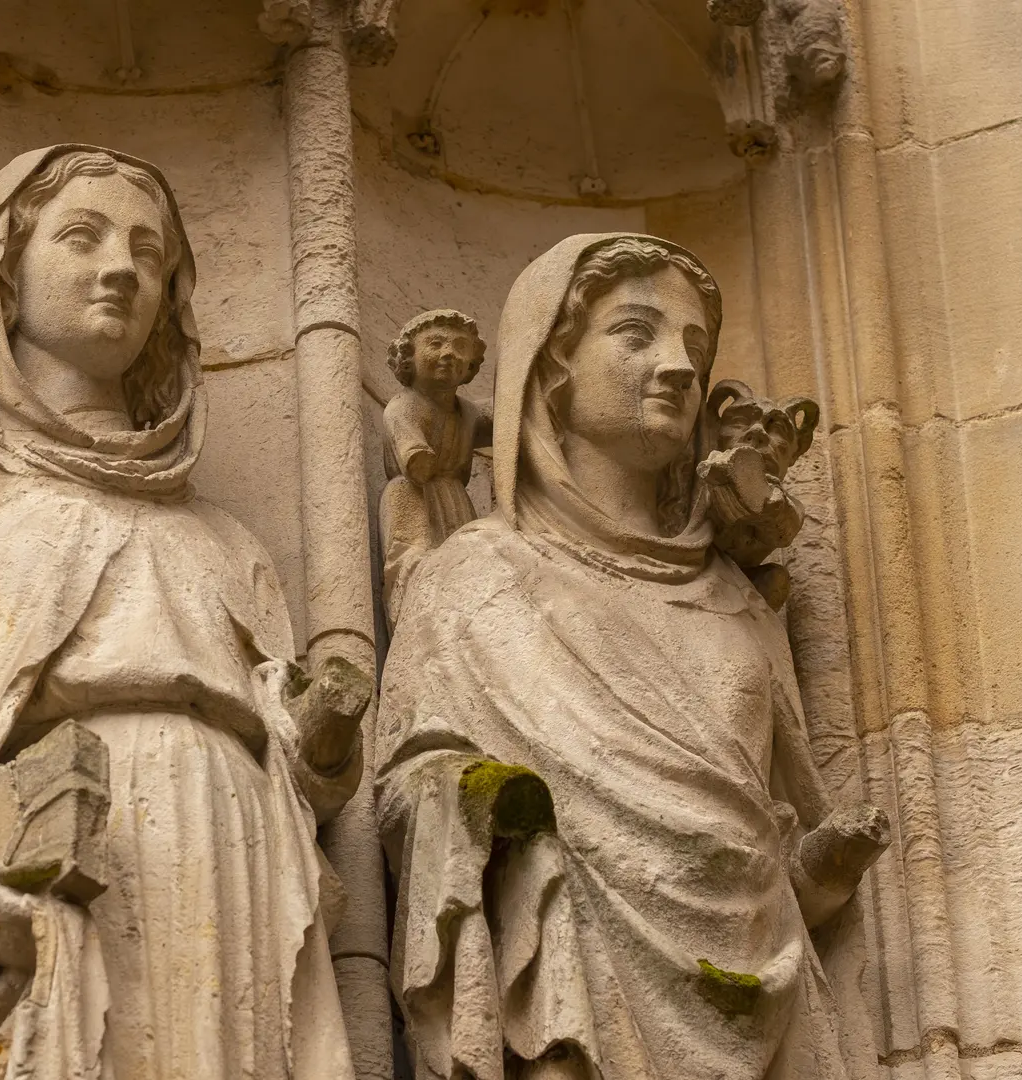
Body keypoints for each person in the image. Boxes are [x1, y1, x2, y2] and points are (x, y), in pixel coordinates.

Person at [0, 145, 361, 1080]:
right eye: (81, 237)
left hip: (241, 845)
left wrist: (323, 739)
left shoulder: (224, 539)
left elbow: (304, 779)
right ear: (5, 281)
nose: (119, 270)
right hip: (80, 833)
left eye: (148, 252)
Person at [375, 233, 886, 1080]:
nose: (679, 368)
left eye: (693, 345)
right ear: (551, 371)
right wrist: (479, 804)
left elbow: (792, 854)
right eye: (635, 333)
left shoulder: (739, 604)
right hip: (575, 994)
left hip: (776, 1006)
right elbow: (400, 797)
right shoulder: (474, 575)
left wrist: (827, 864)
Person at [377, 309, 489, 625]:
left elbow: (508, 420)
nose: (448, 354)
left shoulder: (466, 411)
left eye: (460, 347)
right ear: (408, 358)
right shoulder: (404, 406)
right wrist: (418, 455)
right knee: (416, 570)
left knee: (468, 577)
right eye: (436, 344)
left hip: (455, 501)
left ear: (471, 364)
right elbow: (417, 463)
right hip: (413, 498)